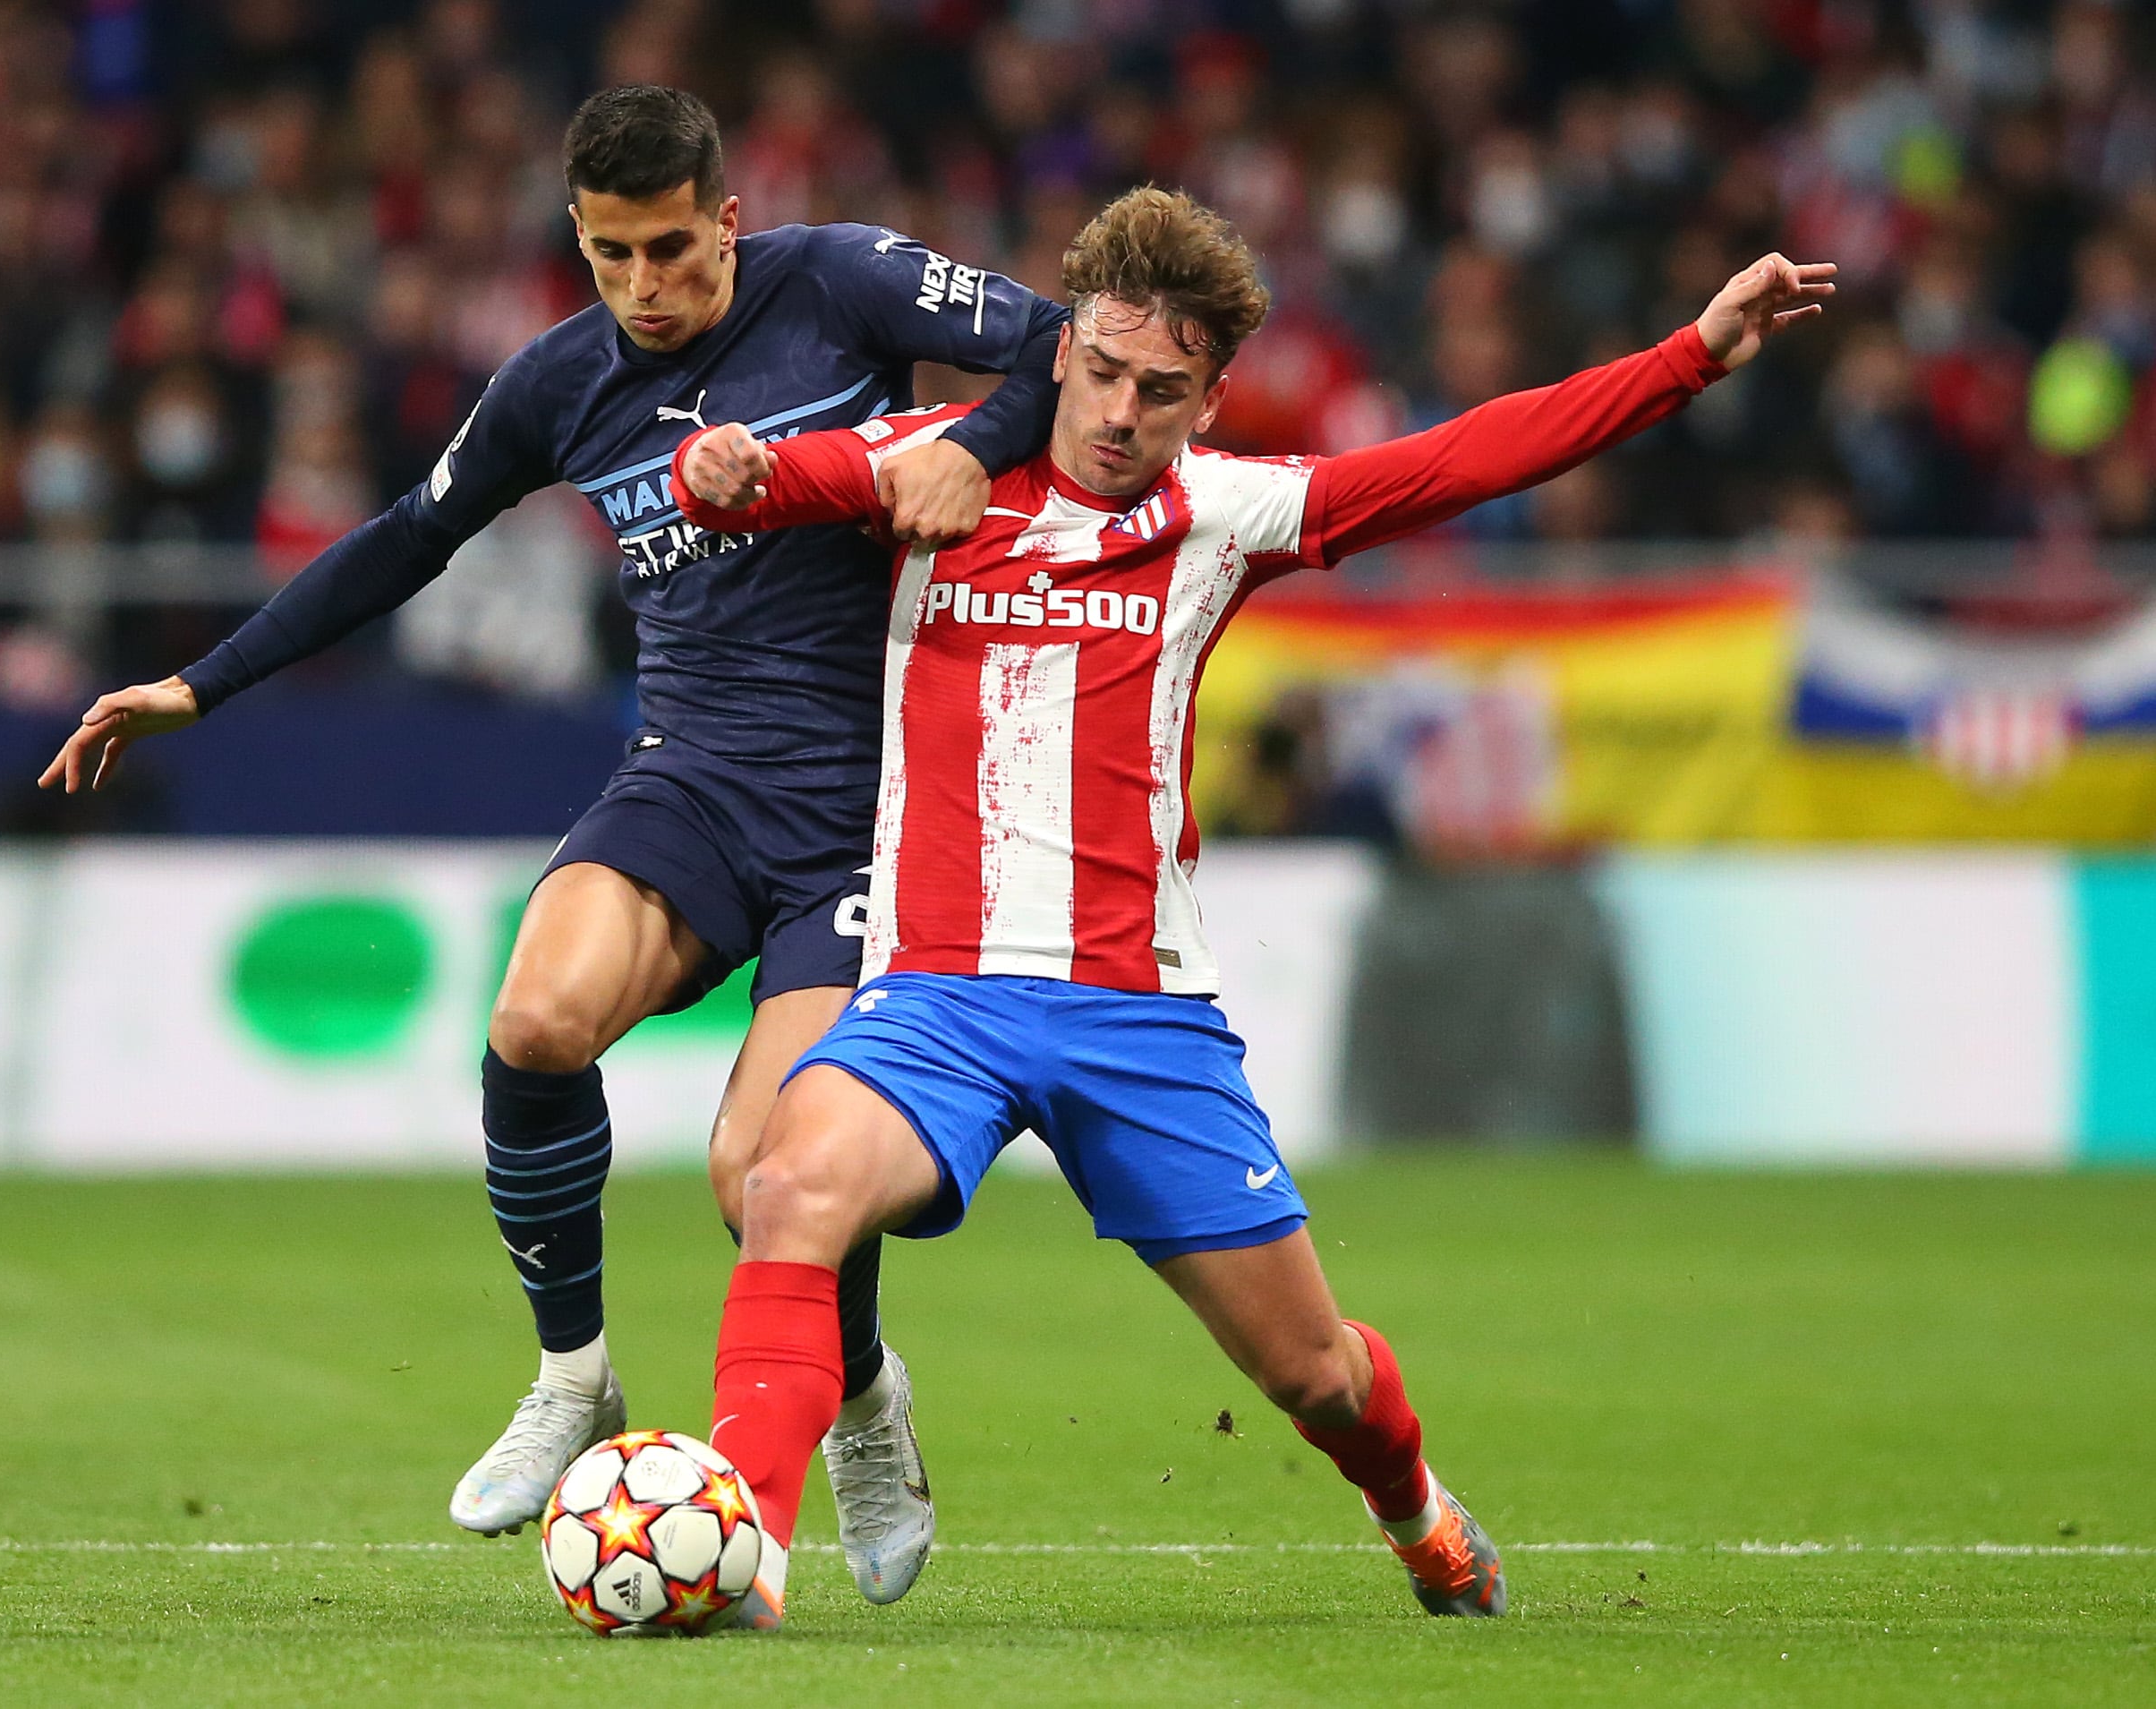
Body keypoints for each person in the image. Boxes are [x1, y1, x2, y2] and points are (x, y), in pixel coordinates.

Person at [669, 187, 1833, 1628]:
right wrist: (725, 467)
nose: (1116, 411)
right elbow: (775, 479)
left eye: (1161, 391)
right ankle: (741, 1561)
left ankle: (1415, 1511)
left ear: (1209, 396)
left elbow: (1463, 461)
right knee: (789, 1187)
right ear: (1062, 349)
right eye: (1097, 370)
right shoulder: (933, 470)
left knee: (1314, 1376)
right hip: (939, 997)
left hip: (1138, 1014)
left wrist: (1692, 355)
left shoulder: (1226, 512)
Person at [37, 85, 1074, 1603]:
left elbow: (1062, 341)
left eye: (671, 251)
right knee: (532, 1019)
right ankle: (574, 1372)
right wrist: (202, 682)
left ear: (728, 219)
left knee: (764, 1172)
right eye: (609, 258)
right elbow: (407, 535)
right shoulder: (560, 381)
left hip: (872, 809)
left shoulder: (842, 278)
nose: (645, 290)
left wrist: (976, 445)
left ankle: (862, 1401)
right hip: (693, 779)